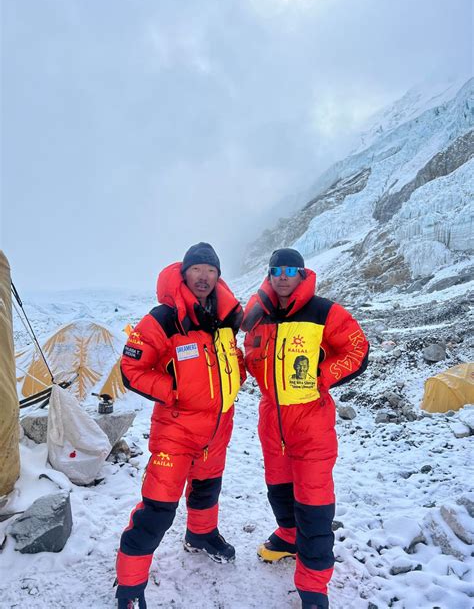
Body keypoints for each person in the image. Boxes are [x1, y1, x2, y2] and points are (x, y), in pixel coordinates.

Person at [115, 242, 246, 609]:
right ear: (184, 274)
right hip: (176, 430)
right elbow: (131, 369)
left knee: (207, 491)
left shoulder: (222, 318)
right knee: (157, 510)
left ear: (218, 277)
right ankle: (130, 585)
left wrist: (236, 376)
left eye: (211, 271)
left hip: (218, 429)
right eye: (197, 270)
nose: (204, 277)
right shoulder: (163, 317)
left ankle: (201, 536)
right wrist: (173, 391)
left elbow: (230, 357)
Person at [242, 248, 369, 609]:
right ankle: (287, 536)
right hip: (272, 420)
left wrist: (323, 375)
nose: (282, 276)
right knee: (279, 491)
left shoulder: (324, 311)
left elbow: (357, 349)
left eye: (290, 270)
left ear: (302, 274)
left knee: (314, 504)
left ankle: (314, 587)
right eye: (276, 269)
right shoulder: (260, 314)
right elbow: (249, 356)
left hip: (311, 422)